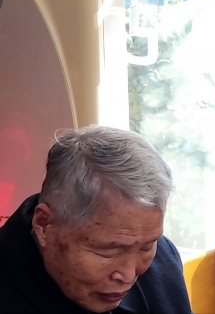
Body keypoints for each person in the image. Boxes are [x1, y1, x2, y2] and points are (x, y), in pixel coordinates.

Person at [0, 125, 193, 314]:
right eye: (108, 252)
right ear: (44, 225)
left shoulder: (161, 254)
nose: (128, 276)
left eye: (146, 248)